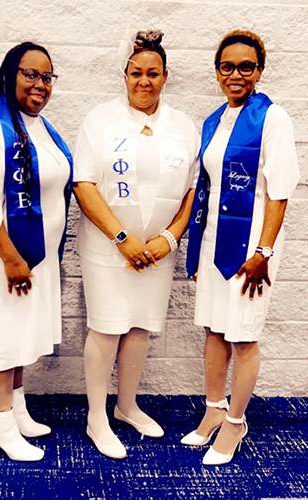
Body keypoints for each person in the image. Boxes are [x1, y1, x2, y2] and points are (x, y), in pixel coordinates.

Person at [73, 30, 200, 459]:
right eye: (135, 73)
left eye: (153, 73)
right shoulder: (100, 119)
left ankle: (126, 406)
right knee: (107, 328)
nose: (143, 81)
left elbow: (191, 192)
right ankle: (96, 416)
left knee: (141, 329)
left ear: (166, 76)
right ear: (124, 75)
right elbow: (84, 184)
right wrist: (122, 238)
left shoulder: (182, 125)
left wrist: (170, 236)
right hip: (110, 248)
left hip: (157, 252)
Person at [183, 30, 300, 465]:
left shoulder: (273, 119)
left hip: (253, 248)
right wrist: (196, 252)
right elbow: (207, 189)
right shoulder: (216, 119)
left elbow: (280, 192)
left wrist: (264, 252)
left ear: (260, 70)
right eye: (227, 66)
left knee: (244, 335)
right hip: (216, 242)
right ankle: (213, 411)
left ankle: (236, 422)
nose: (236, 74)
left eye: (245, 66)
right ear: (217, 71)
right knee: (214, 330)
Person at [0, 42, 73, 462]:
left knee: (21, 332)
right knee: (2, 336)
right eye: (30, 74)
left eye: (47, 76)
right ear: (9, 74)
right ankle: (0, 424)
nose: (40, 84)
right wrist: (9, 257)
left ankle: (17, 409)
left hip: (31, 254)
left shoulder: (39, 124)